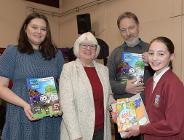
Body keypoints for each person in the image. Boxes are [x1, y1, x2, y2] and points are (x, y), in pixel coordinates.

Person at [0, 12, 64, 140]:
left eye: (43, 29)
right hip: (21, 115)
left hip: (50, 118)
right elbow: (1, 87)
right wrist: (25, 105)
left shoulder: (56, 54)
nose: (39, 31)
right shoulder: (12, 52)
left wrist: (61, 102)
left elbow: (63, 85)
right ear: (25, 28)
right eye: (34, 27)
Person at [124, 36, 184, 140]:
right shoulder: (150, 81)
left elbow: (173, 125)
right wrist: (123, 114)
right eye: (151, 53)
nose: (154, 58)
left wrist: (141, 129)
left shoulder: (174, 85)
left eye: (161, 54)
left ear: (171, 56)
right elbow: (148, 113)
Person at [107, 11, 154, 140]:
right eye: (123, 30)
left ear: (138, 26)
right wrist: (124, 87)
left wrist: (151, 62)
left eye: (131, 27)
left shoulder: (151, 50)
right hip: (124, 114)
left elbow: (164, 75)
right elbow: (107, 82)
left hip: (148, 112)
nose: (128, 33)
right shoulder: (115, 53)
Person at [59, 32, 113, 140]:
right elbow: (66, 104)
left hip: (102, 129)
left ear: (96, 49)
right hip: (79, 132)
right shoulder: (68, 69)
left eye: (92, 46)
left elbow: (108, 96)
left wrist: (117, 108)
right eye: (84, 45)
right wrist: (75, 135)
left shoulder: (103, 70)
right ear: (77, 47)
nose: (88, 48)